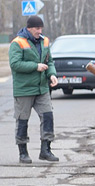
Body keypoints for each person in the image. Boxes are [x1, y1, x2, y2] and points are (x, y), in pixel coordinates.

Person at [9, 15, 59, 163]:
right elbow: (15, 64)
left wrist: (52, 74)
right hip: (24, 89)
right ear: (29, 28)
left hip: (42, 88)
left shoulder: (45, 41)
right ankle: (23, 152)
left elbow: (49, 61)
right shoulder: (17, 43)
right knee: (22, 120)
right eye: (37, 28)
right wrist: (35, 67)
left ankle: (46, 150)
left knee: (48, 116)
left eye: (41, 28)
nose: (40, 31)